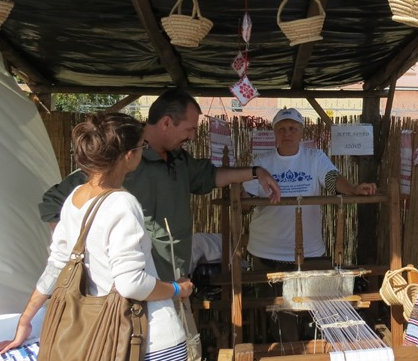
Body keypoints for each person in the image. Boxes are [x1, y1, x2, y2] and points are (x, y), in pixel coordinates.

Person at [0, 113, 193, 361]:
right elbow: (131, 284)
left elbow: (57, 265)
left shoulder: (75, 200)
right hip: (151, 341)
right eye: (141, 147)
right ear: (129, 156)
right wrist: (177, 289)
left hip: (113, 343)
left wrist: (26, 319)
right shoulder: (122, 203)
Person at [39, 89, 281, 282]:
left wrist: (254, 172)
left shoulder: (179, 160)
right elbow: (52, 204)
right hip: (131, 286)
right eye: (189, 129)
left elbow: (211, 176)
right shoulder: (121, 158)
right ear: (166, 123)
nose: (193, 137)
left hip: (174, 279)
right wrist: (85, 257)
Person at [245, 107, 377, 267]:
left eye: (292, 128)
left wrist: (352, 189)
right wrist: (238, 195)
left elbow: (332, 178)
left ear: (301, 132)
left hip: (309, 250)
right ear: (275, 133)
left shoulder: (315, 158)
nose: (287, 133)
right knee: (265, 285)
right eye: (281, 129)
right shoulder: (261, 162)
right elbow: (246, 198)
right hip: (266, 250)